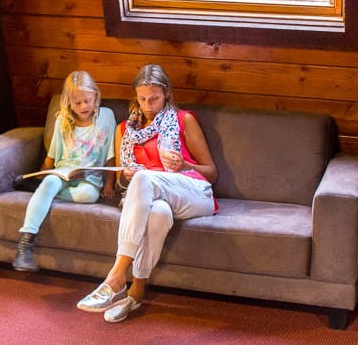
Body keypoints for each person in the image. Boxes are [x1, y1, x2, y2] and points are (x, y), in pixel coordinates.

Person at [76, 64, 218, 323]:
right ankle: (135, 293)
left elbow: (211, 173)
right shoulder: (124, 130)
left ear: (166, 94)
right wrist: (124, 176)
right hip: (154, 198)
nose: (148, 104)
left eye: (154, 98)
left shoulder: (183, 119)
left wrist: (183, 165)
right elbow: (121, 182)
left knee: (143, 177)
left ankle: (116, 276)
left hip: (194, 193)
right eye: (142, 99)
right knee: (158, 213)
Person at [13, 71, 116, 272]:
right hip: (63, 172)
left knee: (87, 196)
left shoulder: (106, 116)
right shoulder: (62, 121)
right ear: (69, 103)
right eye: (77, 103)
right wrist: (43, 174)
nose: (83, 107)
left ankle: (40, 190)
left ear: (96, 96)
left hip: (89, 178)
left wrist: (110, 184)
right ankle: (24, 246)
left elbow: (111, 154)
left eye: (87, 101)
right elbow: (51, 157)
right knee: (51, 182)